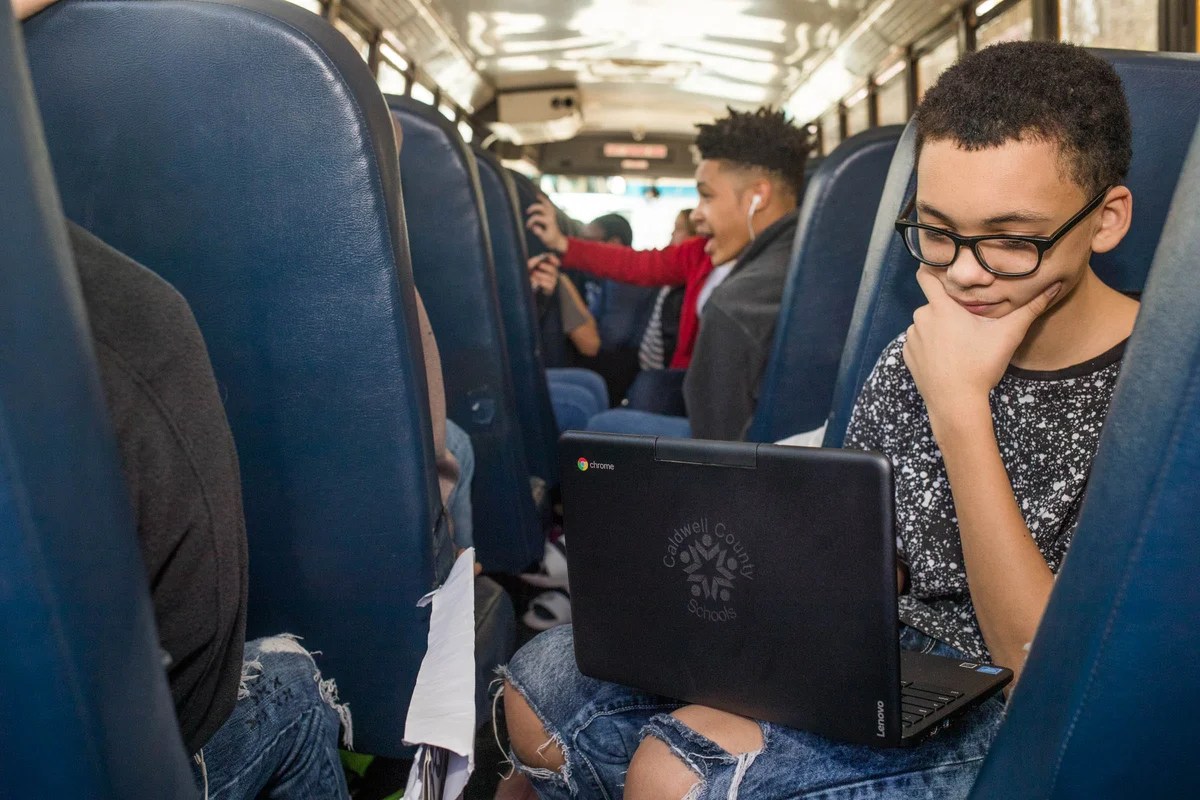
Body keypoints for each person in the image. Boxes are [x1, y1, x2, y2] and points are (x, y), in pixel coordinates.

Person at [499, 41, 1139, 799]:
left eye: (1009, 239)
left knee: (680, 770)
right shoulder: (919, 345)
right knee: (535, 684)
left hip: (1010, 700)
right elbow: (859, 552)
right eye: (936, 231)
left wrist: (961, 406)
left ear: (1104, 221)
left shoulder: (1150, 392)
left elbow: (1045, 672)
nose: (965, 272)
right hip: (879, 652)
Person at [527, 107, 811, 439]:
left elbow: (722, 445)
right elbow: (637, 265)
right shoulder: (801, 256)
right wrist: (564, 244)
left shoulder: (735, 305)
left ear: (757, 197)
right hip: (706, 391)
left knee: (601, 430)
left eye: (706, 196)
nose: (698, 215)